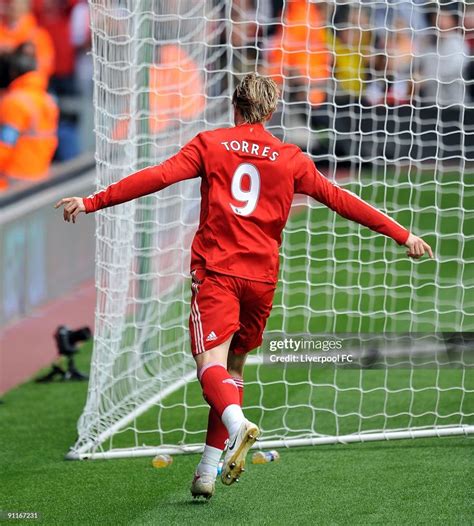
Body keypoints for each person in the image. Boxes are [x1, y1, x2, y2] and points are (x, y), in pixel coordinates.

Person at [55, 73, 433, 499]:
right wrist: (402, 234)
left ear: (233, 106)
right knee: (234, 369)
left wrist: (91, 201)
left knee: (207, 365)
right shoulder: (290, 157)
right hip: (262, 279)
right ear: (271, 112)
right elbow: (342, 200)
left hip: (218, 273)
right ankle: (206, 471)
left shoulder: (210, 144)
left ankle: (237, 426)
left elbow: (157, 177)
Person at [0, 45, 58, 190]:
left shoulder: (14, 101)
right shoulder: (48, 100)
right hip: (40, 174)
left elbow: (5, 145)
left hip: (14, 178)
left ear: (14, 72)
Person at [0, 0, 54, 79]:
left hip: (28, 86)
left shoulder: (36, 35)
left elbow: (47, 65)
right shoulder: (2, 31)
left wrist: (18, 53)